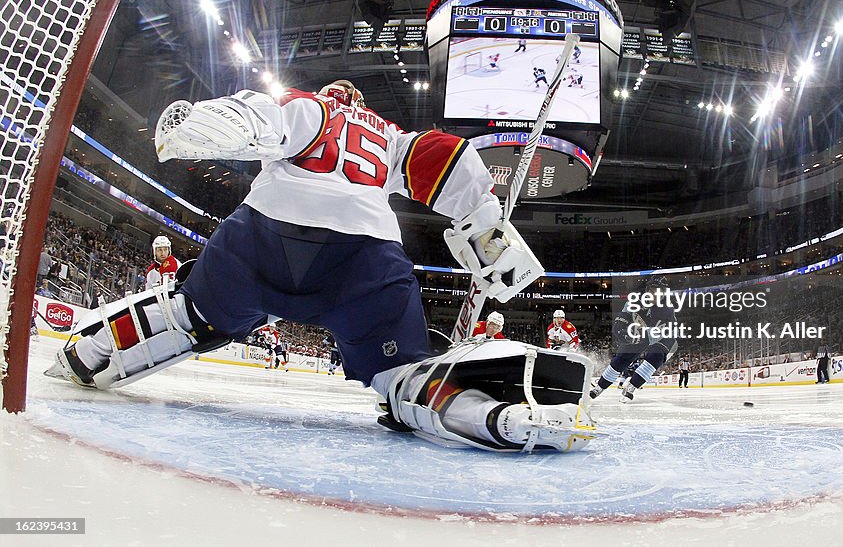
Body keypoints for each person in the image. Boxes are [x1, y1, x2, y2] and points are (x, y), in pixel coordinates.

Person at [46, 80, 596, 452]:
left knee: (188, 315)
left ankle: (87, 355)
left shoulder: (316, 107)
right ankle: (497, 419)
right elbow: (450, 161)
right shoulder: (392, 140)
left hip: (263, 238)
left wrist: (206, 123)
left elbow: (264, 118)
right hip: (363, 260)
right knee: (401, 376)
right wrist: (487, 230)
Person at [590, 275, 678, 403]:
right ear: (647, 289)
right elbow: (619, 324)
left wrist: (635, 335)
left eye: (661, 291)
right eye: (654, 289)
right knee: (621, 359)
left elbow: (656, 334)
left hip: (663, 336)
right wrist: (623, 332)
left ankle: (631, 387)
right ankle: (599, 388)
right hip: (642, 333)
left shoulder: (666, 309)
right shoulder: (634, 300)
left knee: (655, 357)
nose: (657, 294)